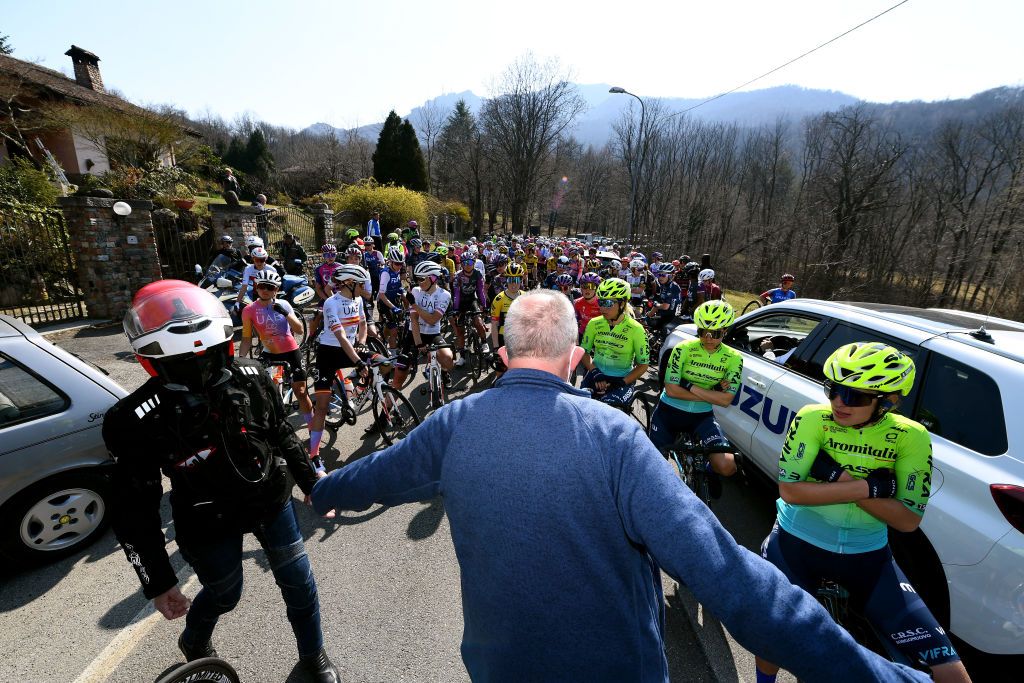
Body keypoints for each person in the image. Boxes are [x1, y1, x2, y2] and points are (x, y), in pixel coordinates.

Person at [309, 289, 929, 683]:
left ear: (502, 359)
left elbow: (376, 475)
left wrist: (325, 489)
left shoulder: (454, 423)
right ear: (575, 360)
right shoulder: (614, 438)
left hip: (497, 663)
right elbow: (731, 578)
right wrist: (884, 676)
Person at [104, 280, 339, 682]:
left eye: (210, 360)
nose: (200, 372)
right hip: (205, 519)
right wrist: (158, 582)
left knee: (300, 583)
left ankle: (313, 657)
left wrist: (313, 484)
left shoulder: (251, 375)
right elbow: (134, 510)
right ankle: (194, 641)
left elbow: (280, 432)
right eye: (182, 366)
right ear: (152, 360)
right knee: (225, 594)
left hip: (271, 499)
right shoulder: (132, 418)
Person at [755, 343, 970, 683]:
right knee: (773, 632)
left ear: (888, 401)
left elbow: (907, 520)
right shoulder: (813, 419)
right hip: (798, 543)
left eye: (855, 396)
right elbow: (792, 492)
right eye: (834, 390)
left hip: (868, 557)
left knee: (952, 675)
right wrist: (868, 488)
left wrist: (834, 478)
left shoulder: (909, 437)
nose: (839, 402)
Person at [649, 300, 741, 499]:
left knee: (727, 466)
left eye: (715, 333)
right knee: (651, 470)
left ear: (725, 331)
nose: (708, 338)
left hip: (701, 418)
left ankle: (708, 469)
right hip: (668, 413)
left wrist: (689, 385)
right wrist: (712, 392)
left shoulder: (734, 358)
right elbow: (672, 390)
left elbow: (726, 400)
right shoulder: (682, 348)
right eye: (702, 332)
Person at [310, 265, 370, 465]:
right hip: (329, 353)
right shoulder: (330, 303)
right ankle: (314, 455)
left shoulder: (358, 299)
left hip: (351, 349)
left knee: (383, 363)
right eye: (361, 284)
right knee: (322, 406)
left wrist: (361, 344)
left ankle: (357, 389)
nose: (364, 288)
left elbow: (362, 324)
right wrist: (358, 361)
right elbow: (341, 336)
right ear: (350, 283)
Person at [239, 269, 314, 429]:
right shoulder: (249, 310)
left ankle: (313, 428)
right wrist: (241, 360)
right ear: (256, 286)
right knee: (261, 393)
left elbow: (300, 330)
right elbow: (246, 339)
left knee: (301, 392)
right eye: (262, 286)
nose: (265, 290)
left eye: (270, 287)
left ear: (276, 290)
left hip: (291, 352)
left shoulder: (284, 304)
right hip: (269, 354)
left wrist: (286, 313)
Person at [579, 277, 649, 407]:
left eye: (608, 303)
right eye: (600, 302)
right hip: (596, 373)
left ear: (622, 304)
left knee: (610, 408)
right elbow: (584, 352)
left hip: (621, 378)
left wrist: (622, 382)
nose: (602, 308)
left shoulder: (636, 329)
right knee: (579, 404)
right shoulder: (594, 323)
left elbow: (643, 365)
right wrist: (595, 372)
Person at [390, 260, 454, 391]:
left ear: (433, 278)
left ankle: (443, 372)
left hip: (433, 334)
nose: (418, 282)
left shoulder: (444, 295)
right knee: (399, 376)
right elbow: (414, 319)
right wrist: (419, 344)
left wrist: (414, 305)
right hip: (414, 334)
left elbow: (432, 320)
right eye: (416, 278)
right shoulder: (416, 291)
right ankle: (387, 409)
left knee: (448, 360)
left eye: (421, 278)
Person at [452, 252, 489, 366]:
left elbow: (480, 291)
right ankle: (462, 356)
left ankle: (484, 343)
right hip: (461, 302)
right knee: (460, 331)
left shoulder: (477, 274)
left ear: (474, 263)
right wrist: (456, 309)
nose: (468, 265)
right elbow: (456, 294)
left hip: (472, 300)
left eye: (471, 262)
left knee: (478, 322)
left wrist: (485, 306)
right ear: (462, 264)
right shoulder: (458, 276)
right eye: (465, 263)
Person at [489, 262, 524, 378]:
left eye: (517, 281)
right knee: (500, 373)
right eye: (510, 280)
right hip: (503, 338)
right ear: (506, 280)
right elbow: (494, 324)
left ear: (521, 280)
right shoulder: (499, 299)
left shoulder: (526, 297)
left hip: (521, 340)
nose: (513, 284)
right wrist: (495, 347)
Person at [573, 271, 602, 342]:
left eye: (592, 286)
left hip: (599, 336)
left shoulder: (602, 303)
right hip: (583, 333)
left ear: (597, 288)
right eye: (584, 286)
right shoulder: (576, 302)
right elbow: (576, 321)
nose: (587, 289)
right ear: (580, 288)